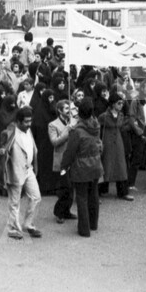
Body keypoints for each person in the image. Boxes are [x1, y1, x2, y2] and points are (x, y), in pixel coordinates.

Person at [0, 106, 42, 239]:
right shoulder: (11, 132)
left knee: (36, 197)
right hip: (15, 171)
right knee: (14, 202)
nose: (29, 124)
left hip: (28, 169)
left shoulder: (29, 131)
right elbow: (4, 146)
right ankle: (12, 228)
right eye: (26, 122)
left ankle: (28, 224)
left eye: (30, 121)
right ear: (19, 121)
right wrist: (3, 150)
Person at [59, 97, 104, 238]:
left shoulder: (77, 131)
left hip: (81, 167)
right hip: (95, 165)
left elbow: (70, 152)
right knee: (93, 195)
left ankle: (84, 229)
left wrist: (64, 166)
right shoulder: (96, 126)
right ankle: (93, 224)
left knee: (82, 197)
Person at [99, 93, 132, 200]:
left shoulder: (121, 115)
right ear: (113, 104)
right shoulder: (103, 116)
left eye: (122, 103)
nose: (121, 105)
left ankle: (122, 192)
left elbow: (126, 122)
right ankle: (100, 191)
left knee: (121, 166)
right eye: (119, 103)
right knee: (105, 165)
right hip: (107, 142)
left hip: (118, 142)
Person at [48, 98, 76, 224]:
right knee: (65, 188)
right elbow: (55, 142)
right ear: (59, 110)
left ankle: (67, 211)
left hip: (73, 159)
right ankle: (59, 212)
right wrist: (67, 130)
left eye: (69, 108)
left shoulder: (73, 121)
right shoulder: (53, 125)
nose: (69, 111)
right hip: (61, 160)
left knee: (71, 189)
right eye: (66, 108)